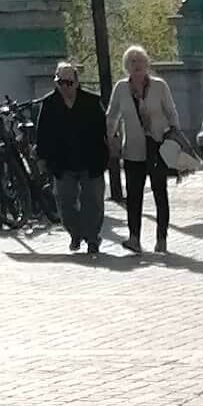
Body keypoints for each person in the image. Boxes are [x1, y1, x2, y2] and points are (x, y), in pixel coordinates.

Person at [32, 57, 108, 254]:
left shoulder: (92, 101)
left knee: (93, 201)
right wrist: (41, 158)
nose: (65, 87)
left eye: (69, 82)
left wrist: (111, 147)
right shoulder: (49, 103)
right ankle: (75, 233)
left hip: (91, 159)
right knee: (64, 201)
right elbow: (42, 133)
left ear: (77, 82)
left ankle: (92, 238)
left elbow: (105, 128)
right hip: (62, 162)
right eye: (61, 82)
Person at [109, 47, 176, 256]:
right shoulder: (121, 88)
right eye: (132, 61)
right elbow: (112, 115)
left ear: (146, 64)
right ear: (126, 66)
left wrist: (174, 136)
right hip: (133, 150)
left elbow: (171, 112)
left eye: (139, 60)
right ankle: (134, 238)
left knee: (160, 193)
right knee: (134, 196)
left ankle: (161, 239)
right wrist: (111, 138)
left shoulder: (159, 86)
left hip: (157, 148)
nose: (136, 64)